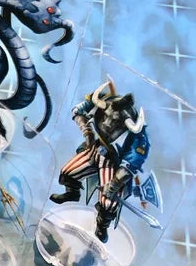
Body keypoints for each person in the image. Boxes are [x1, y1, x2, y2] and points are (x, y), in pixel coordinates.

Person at [49, 79, 150, 242]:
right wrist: (87, 131)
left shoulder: (138, 137)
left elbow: (132, 162)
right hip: (94, 149)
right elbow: (78, 110)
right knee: (67, 172)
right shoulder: (104, 99)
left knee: (108, 202)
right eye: (107, 116)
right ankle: (72, 193)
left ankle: (102, 227)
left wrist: (115, 183)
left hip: (113, 163)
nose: (108, 123)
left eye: (114, 121)